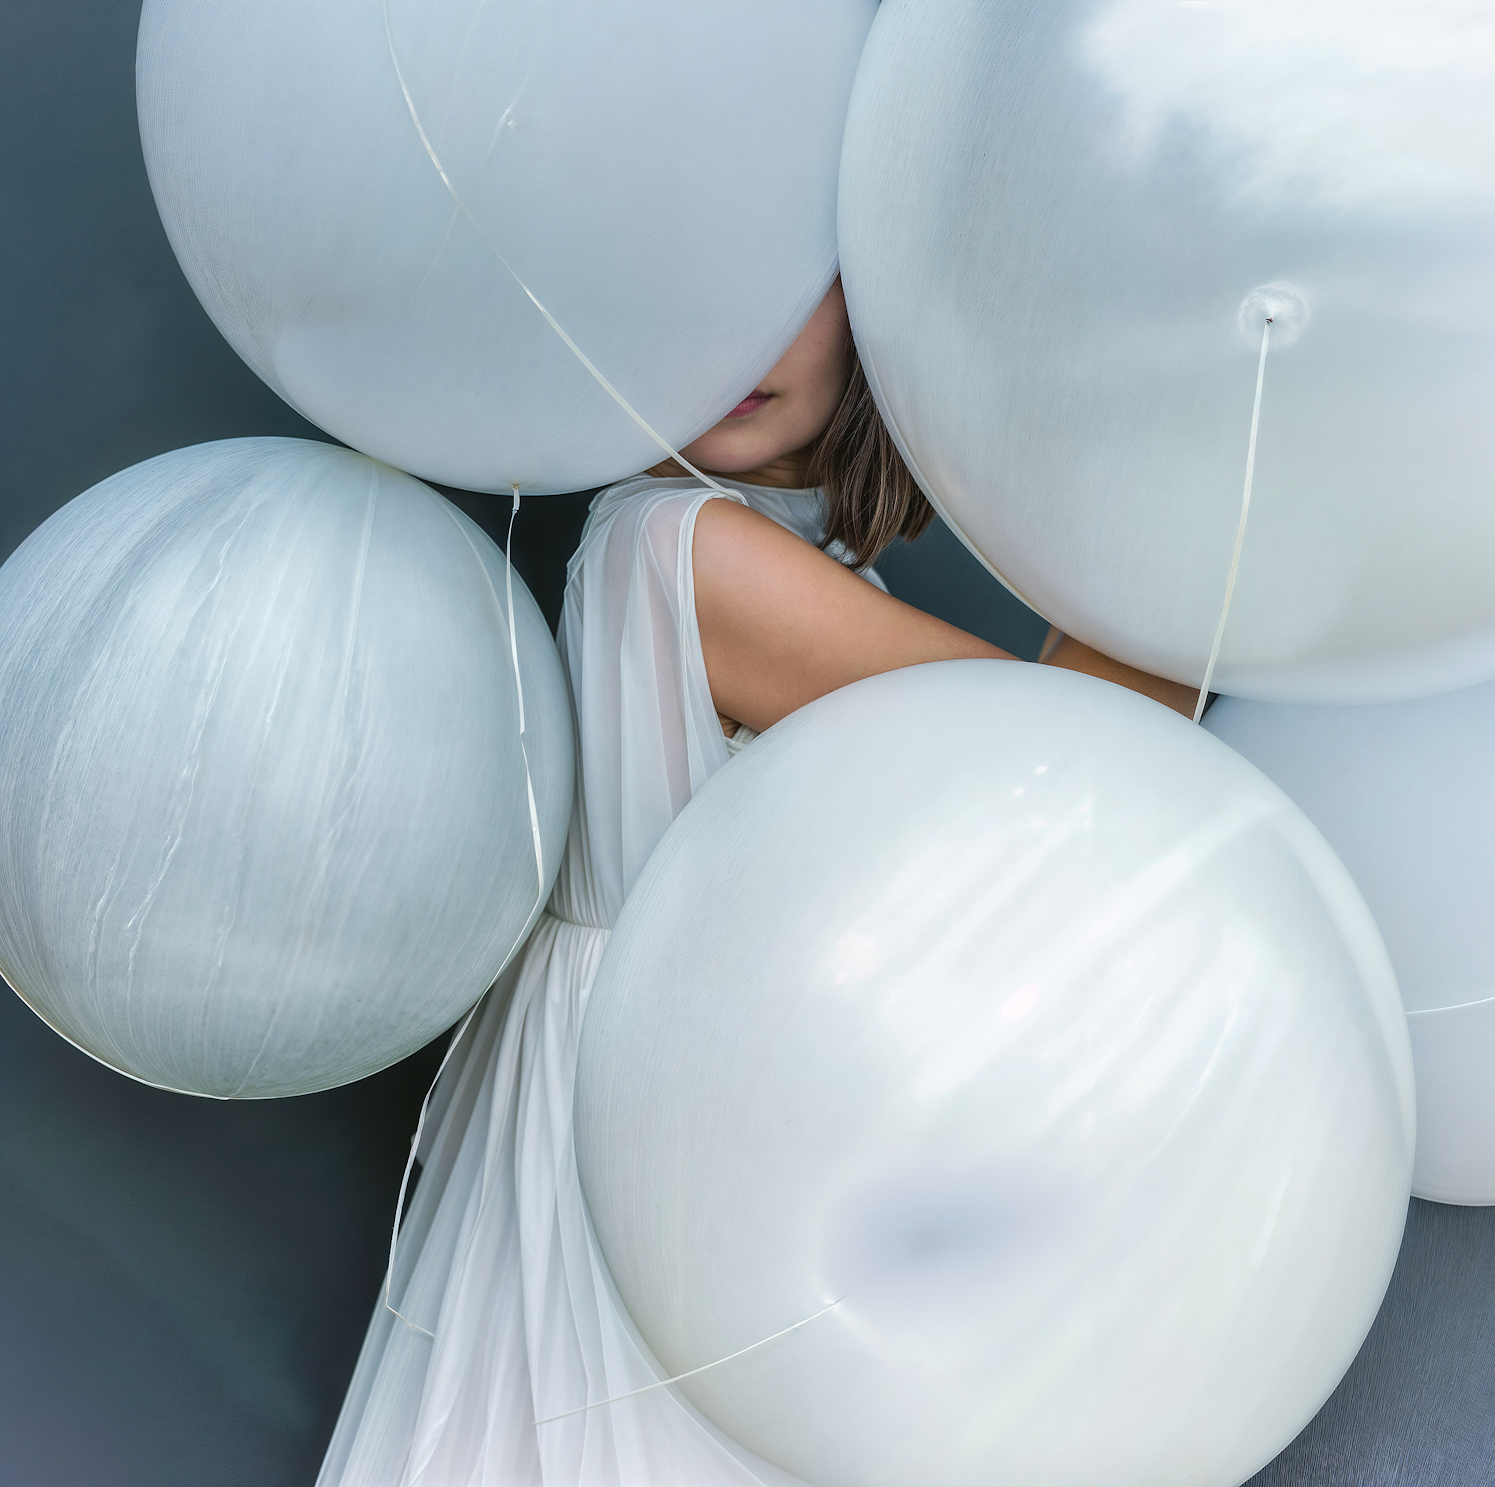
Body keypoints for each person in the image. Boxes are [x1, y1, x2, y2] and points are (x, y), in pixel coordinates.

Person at [317, 279, 1194, 1487]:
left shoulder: (772, 558)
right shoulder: (679, 550)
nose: (731, 335)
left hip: (717, 1151)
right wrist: (1201, 466)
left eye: (788, 290)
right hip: (668, 1172)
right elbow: (1085, 759)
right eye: (699, 279)